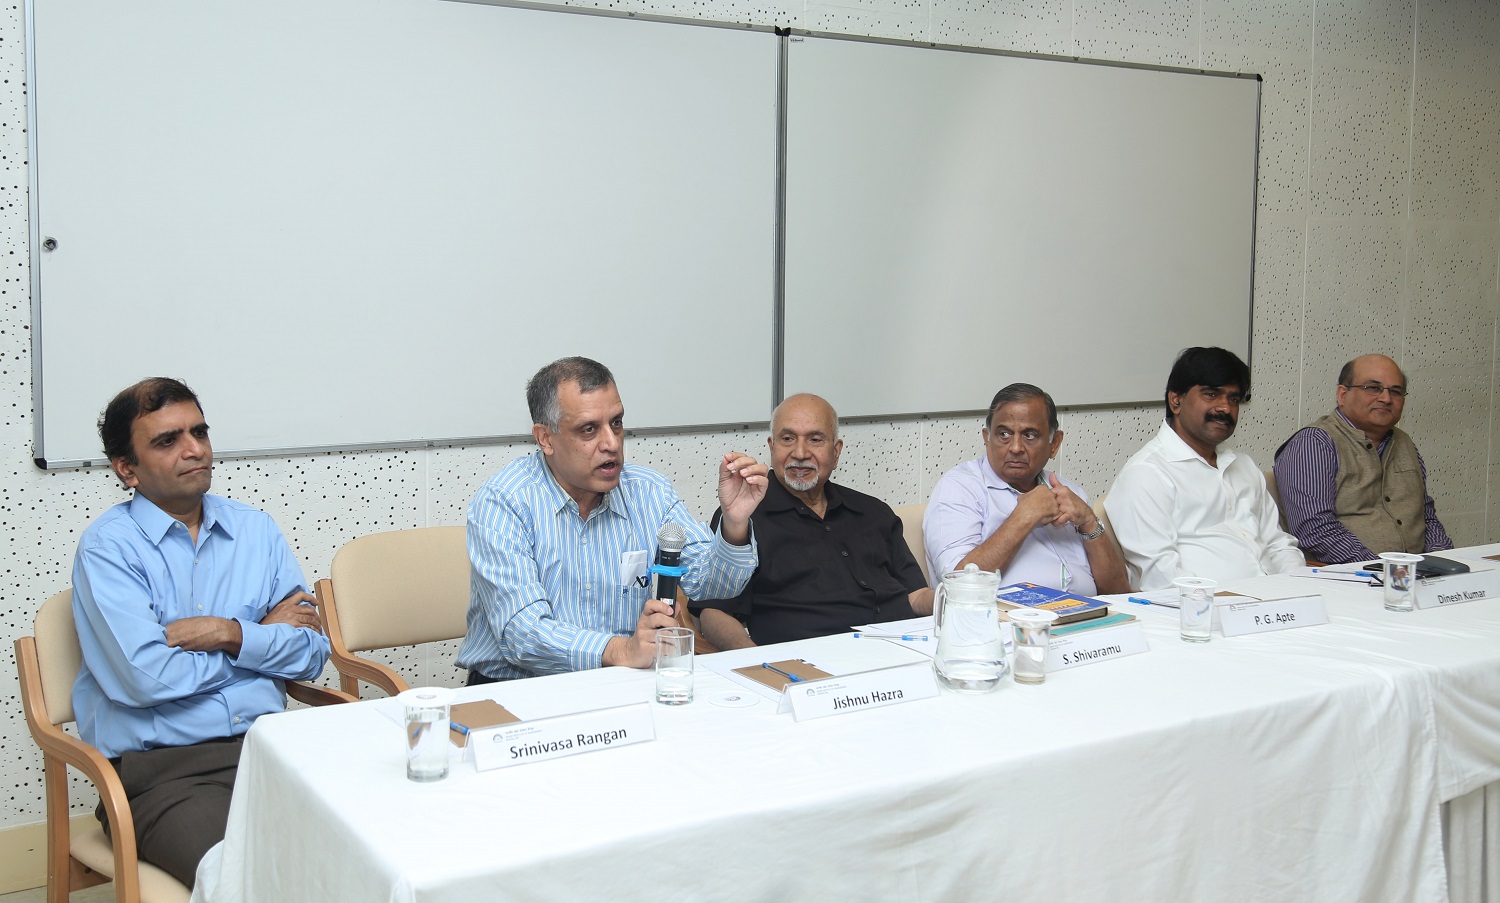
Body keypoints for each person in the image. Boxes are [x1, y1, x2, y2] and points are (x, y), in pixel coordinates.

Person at [70, 378, 330, 888]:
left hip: (270, 751)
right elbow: (146, 681)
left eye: (199, 432)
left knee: (369, 849)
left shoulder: (255, 530)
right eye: (167, 441)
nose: (194, 450)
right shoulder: (108, 549)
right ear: (127, 469)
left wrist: (226, 632)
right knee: (251, 878)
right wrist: (256, 639)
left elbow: (310, 653)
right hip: (165, 774)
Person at [456, 356, 766, 682]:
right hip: (519, 688)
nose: (611, 443)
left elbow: (711, 585)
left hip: (624, 683)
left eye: (616, 423)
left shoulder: (649, 491)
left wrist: (733, 526)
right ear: (545, 438)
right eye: (589, 430)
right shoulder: (504, 502)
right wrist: (620, 650)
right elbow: (523, 633)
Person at [693, 394, 932, 649]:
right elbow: (713, 611)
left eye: (815, 440)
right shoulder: (743, 517)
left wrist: (955, 598)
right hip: (810, 666)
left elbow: (915, 595)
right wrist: (755, 662)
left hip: (904, 653)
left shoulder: (874, 512)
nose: (800, 453)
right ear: (772, 446)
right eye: (788, 439)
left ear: (836, 451)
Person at [1105, 347, 1303, 590]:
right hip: (1207, 612)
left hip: (1276, 603)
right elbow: (1161, 578)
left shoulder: (1243, 466)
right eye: (1211, 394)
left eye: (1233, 399)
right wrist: (1234, 606)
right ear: (1176, 400)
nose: (1225, 408)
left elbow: (1278, 544)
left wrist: (1302, 588)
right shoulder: (1147, 474)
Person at [924, 383, 1128, 595]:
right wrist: (1024, 516)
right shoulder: (960, 488)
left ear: (1054, 443)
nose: (1016, 447)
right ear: (987, 438)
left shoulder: (1068, 491)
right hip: (1007, 623)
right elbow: (959, 588)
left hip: (1086, 621)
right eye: (1004, 434)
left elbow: (1120, 592)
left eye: (1029, 435)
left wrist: (1088, 522)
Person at [1273, 355, 1452, 564]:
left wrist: (1441, 558)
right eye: (1373, 388)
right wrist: (1380, 568)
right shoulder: (1315, 443)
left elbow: (1425, 515)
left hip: (1412, 576)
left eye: (1395, 391)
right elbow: (1314, 530)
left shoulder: (1404, 443)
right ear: (1343, 394)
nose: (1386, 398)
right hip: (1347, 578)